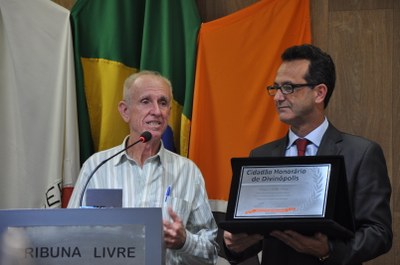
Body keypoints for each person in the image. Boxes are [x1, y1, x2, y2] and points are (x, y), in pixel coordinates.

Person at [223, 44, 392, 265]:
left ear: (319, 92)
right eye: (276, 88)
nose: (277, 97)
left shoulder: (361, 154)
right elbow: (254, 236)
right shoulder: (261, 156)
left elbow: (379, 233)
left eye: (289, 87)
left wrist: (328, 250)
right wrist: (235, 246)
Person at [68, 70, 219, 264]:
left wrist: (184, 241)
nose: (156, 111)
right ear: (125, 111)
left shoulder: (188, 172)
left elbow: (212, 252)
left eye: (163, 103)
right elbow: (70, 235)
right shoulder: (97, 167)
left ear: (169, 113)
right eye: (146, 101)